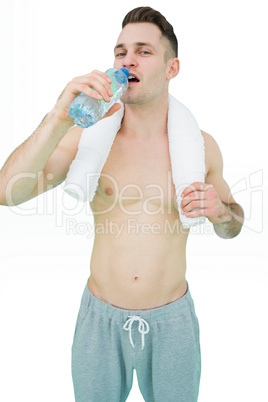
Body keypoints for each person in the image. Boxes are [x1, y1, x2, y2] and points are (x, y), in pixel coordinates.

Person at [0, 6, 244, 402]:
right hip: (100, 319)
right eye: (120, 51)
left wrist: (220, 213)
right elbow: (7, 193)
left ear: (172, 68)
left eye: (144, 51)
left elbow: (234, 224)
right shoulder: (89, 140)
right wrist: (59, 116)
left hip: (172, 323)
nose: (127, 59)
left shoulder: (201, 148)